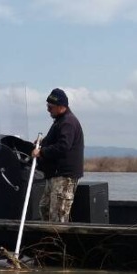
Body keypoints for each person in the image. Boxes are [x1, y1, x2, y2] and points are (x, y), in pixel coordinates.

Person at [32, 88, 85, 223]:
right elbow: (54, 140)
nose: (48, 110)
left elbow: (63, 146)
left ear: (61, 107)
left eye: (51, 107)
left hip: (64, 176)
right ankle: (48, 238)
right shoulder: (59, 122)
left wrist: (42, 151)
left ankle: (58, 240)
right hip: (54, 175)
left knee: (58, 214)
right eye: (47, 107)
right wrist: (42, 143)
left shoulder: (68, 122)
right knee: (44, 207)